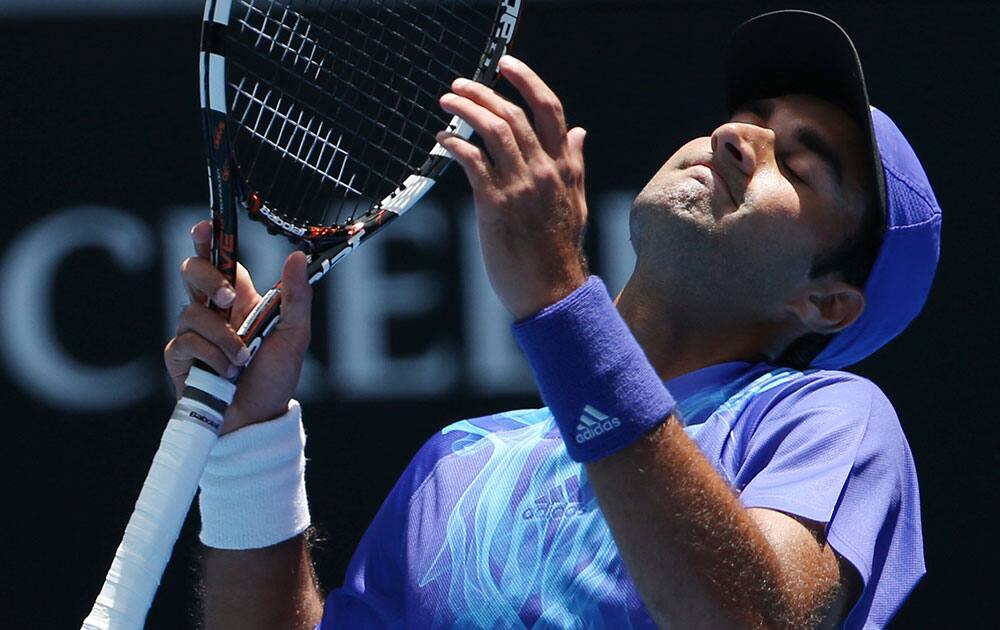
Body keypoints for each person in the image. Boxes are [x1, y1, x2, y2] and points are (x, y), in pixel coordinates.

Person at [165, 10, 940, 629]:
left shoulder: (830, 422)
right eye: (748, 114)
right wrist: (249, 443)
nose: (737, 136)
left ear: (824, 303)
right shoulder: (457, 459)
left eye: (799, 164)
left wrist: (562, 302)